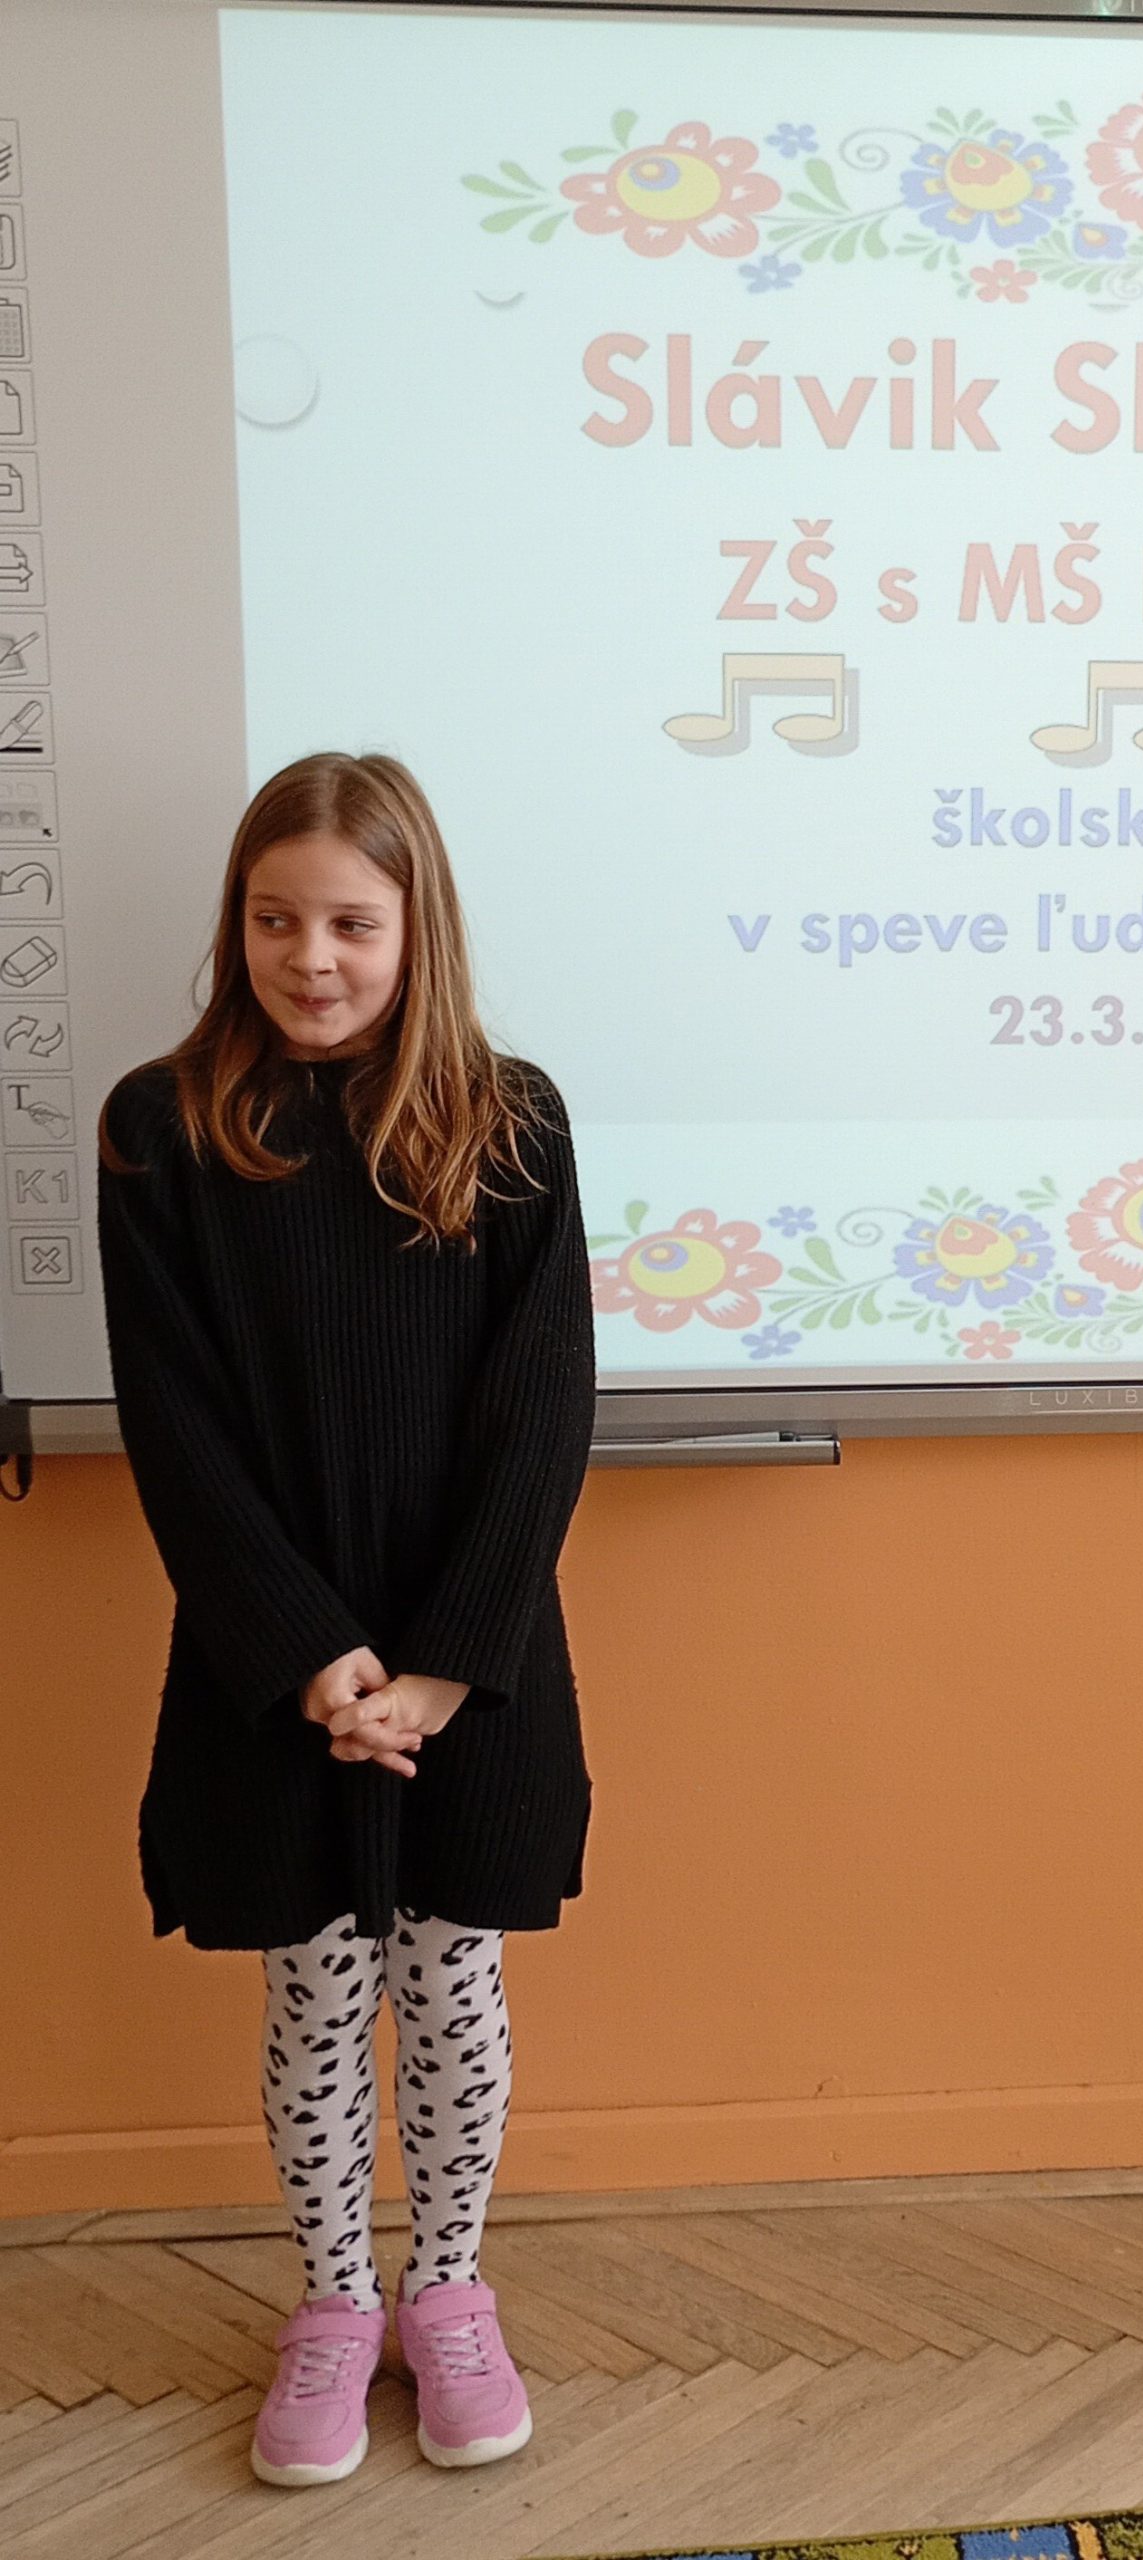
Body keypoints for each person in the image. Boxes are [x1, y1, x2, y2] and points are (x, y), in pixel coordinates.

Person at [95, 751, 597, 2489]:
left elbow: (543, 1407)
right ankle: (330, 2303)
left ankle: (445, 2291)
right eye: (275, 918)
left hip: (472, 1662)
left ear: (415, 927)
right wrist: (318, 1663)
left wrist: (444, 1669)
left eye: (352, 924)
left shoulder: (510, 1119)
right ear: (236, 923)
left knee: (453, 1984)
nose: (311, 957)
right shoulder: (162, 1128)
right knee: (315, 1992)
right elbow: (176, 1427)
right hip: (277, 1663)